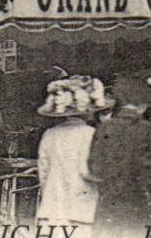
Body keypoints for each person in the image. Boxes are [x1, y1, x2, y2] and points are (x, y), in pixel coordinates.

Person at [91, 71, 151, 236]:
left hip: (108, 200)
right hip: (136, 202)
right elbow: (148, 171)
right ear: (141, 105)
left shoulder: (105, 127)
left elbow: (94, 166)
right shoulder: (146, 129)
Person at [36, 75, 111, 227]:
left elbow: (43, 171)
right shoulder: (90, 134)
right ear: (88, 111)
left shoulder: (50, 134)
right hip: (79, 209)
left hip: (52, 208)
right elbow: (87, 171)